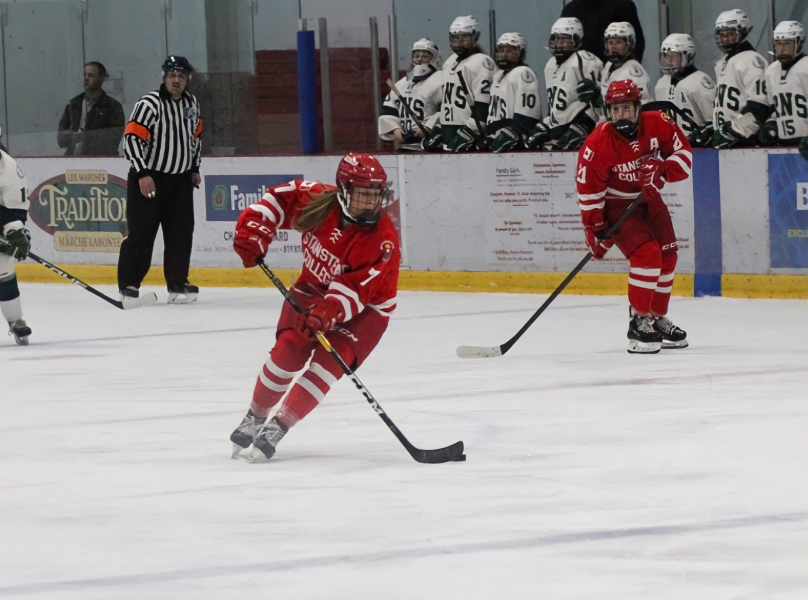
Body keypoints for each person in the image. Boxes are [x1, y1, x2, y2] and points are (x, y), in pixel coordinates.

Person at [229, 153, 400, 461]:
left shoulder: (381, 239)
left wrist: (327, 313)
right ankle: (254, 418)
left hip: (366, 309)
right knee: (288, 351)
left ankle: (279, 425)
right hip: (311, 289)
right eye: (363, 195)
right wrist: (254, 229)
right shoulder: (318, 200)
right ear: (344, 191)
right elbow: (275, 200)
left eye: (375, 196)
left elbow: (356, 292)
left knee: (327, 364)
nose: (370, 203)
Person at [575, 80, 691, 354]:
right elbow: (588, 190)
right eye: (616, 110)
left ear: (638, 108)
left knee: (668, 254)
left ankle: (656, 317)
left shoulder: (659, 123)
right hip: (617, 205)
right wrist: (595, 227)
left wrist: (663, 168)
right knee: (647, 255)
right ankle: (639, 320)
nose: (621, 115)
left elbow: (684, 154)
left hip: (648, 200)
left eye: (626, 108)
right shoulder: (597, 144)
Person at [118, 56, 203, 306]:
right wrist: (143, 173)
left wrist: (194, 167)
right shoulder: (149, 104)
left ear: (188, 79)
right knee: (142, 233)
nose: (176, 80)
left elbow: (195, 138)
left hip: (180, 180)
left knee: (181, 232)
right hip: (149, 178)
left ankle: (177, 282)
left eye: (182, 76)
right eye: (172, 75)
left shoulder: (192, 103)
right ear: (164, 77)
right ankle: (129, 284)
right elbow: (132, 140)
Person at [692, 9, 770, 149]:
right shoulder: (724, 62)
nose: (725, 39)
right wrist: (714, 127)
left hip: (746, 142)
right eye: (722, 35)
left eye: (729, 34)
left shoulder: (752, 60)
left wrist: (736, 130)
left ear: (741, 32)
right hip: (727, 141)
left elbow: (760, 105)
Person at [526, 17, 603, 151]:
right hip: (558, 125)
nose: (559, 43)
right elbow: (555, 105)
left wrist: (586, 123)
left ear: (576, 39)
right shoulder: (550, 65)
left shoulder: (584, 59)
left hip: (581, 121)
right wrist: (547, 124)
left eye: (564, 39)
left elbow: (599, 102)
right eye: (556, 39)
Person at [435, 15, 497, 152]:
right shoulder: (450, 61)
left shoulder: (483, 62)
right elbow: (445, 101)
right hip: (450, 131)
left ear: (475, 37)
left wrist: (471, 130)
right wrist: (439, 127)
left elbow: (485, 102)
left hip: (471, 135)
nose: (459, 42)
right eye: (455, 38)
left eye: (464, 37)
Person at [378, 38, 443, 152]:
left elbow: (450, 110)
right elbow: (388, 110)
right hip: (406, 145)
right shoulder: (402, 83)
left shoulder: (442, 80)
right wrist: (395, 129)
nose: (419, 59)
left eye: (424, 56)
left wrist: (429, 126)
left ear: (435, 59)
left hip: (434, 145)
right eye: (416, 56)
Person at [484, 32, 542, 153]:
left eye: (509, 50)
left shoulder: (523, 73)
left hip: (515, 146)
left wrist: (514, 134)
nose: (504, 54)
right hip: (498, 141)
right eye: (501, 50)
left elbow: (527, 116)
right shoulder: (498, 76)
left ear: (520, 52)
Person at [654, 34, 716, 142]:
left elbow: (713, 122)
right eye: (666, 56)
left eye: (674, 56)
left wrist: (701, 136)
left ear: (688, 56)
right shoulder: (661, 84)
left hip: (697, 150)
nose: (669, 61)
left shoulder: (700, 82)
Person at [0, 135, 32, 345]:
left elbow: (14, 209)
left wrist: (14, 231)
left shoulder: (8, 168)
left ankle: (15, 320)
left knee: (2, 263)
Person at [57, 62, 125, 156]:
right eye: (84, 75)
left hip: (102, 161)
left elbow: (114, 139)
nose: (86, 79)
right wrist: (70, 136)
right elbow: (60, 141)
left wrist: (85, 136)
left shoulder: (113, 106)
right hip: (72, 160)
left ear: (102, 79)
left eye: (91, 75)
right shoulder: (73, 105)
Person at [759, 21, 808, 148]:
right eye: (778, 43)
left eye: (787, 43)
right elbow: (774, 108)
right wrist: (771, 124)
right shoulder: (771, 71)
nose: (781, 49)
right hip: (783, 145)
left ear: (798, 44)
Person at [560, 0, 645, 63]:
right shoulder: (570, 10)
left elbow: (636, 44)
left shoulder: (622, 6)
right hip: (580, 75)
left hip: (613, 77)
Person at [590, 22, 653, 107]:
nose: (613, 46)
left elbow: (644, 104)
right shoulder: (608, 66)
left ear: (629, 44)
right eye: (610, 42)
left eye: (618, 42)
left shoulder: (634, 71)